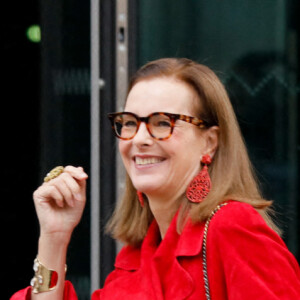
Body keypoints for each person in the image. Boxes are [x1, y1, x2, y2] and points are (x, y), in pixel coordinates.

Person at [11, 58, 300, 300]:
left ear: (210, 142)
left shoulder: (231, 228)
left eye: (162, 123)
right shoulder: (139, 256)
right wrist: (54, 238)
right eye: (130, 123)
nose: (139, 139)